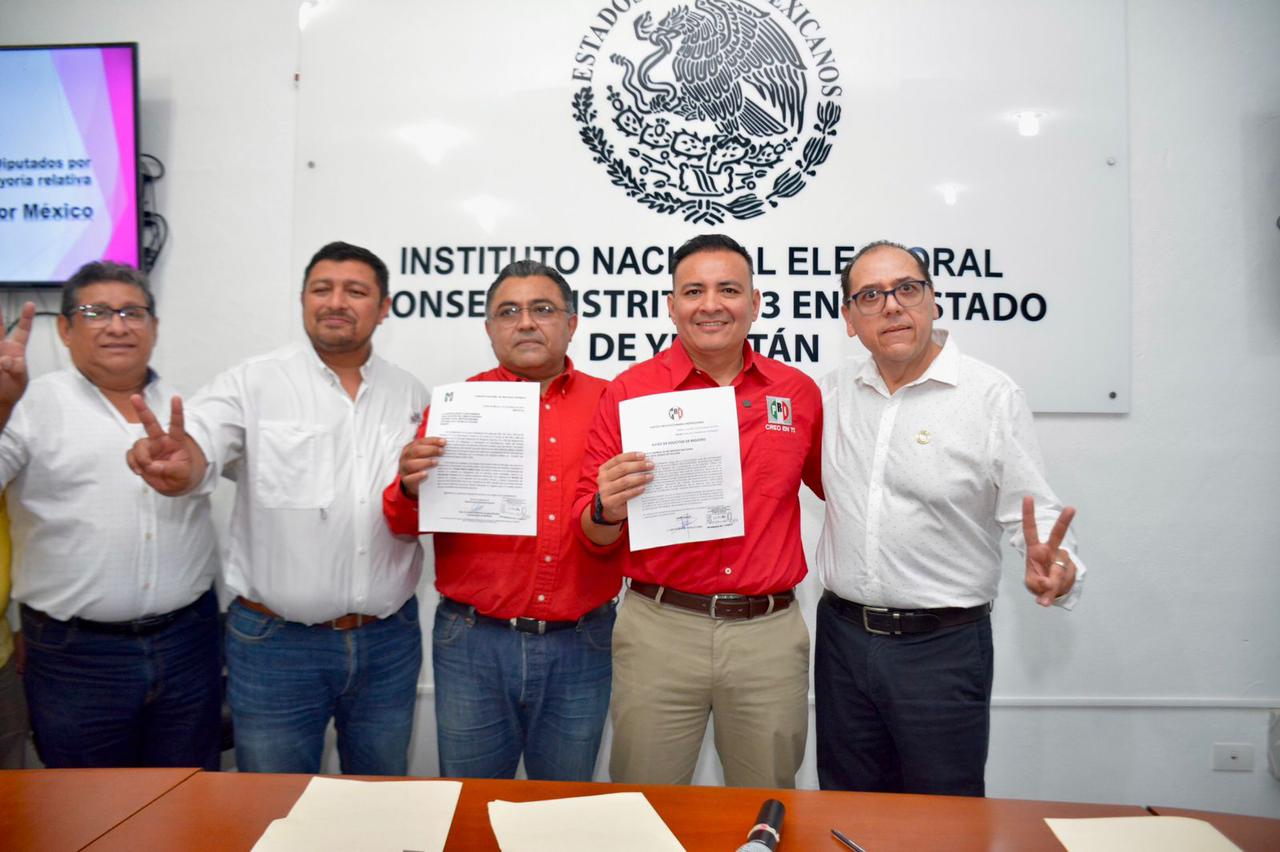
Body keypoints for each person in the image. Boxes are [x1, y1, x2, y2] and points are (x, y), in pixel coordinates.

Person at [127, 241, 427, 775]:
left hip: (388, 642)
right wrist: (181, 463)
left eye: (355, 291)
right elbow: (199, 446)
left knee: (381, 799)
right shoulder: (252, 382)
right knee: (272, 805)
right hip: (277, 648)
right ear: (303, 299)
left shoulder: (410, 394)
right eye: (321, 289)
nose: (336, 302)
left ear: (384, 307)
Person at [814, 240, 1084, 797]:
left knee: (944, 816)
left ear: (933, 300)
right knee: (846, 809)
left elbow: (1034, 511)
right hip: (842, 642)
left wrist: (1058, 565)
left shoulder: (989, 396)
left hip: (941, 650)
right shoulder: (836, 392)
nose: (892, 305)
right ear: (849, 319)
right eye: (870, 296)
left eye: (906, 289)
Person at [575, 234, 822, 788]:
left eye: (728, 290)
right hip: (660, 630)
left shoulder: (797, 392)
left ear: (755, 303)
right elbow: (592, 532)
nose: (711, 304)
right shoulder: (629, 393)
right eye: (694, 291)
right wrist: (607, 507)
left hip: (768, 636)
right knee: (644, 805)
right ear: (671, 305)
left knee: (767, 806)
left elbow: (842, 490)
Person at [383, 260, 621, 780]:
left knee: (562, 809)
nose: (526, 322)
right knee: (469, 806)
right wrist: (409, 486)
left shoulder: (612, 403)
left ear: (572, 323)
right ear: (490, 329)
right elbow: (402, 523)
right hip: (473, 644)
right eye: (509, 312)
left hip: (583, 643)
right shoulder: (456, 407)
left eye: (543, 309)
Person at [0, 263, 221, 769]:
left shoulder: (191, 408)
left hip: (187, 643)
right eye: (96, 312)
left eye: (132, 313)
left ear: (154, 327)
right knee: (86, 806)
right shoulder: (27, 406)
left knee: (188, 799)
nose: (117, 326)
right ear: (65, 329)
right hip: (76, 656)